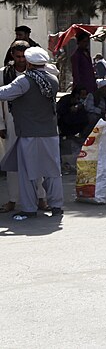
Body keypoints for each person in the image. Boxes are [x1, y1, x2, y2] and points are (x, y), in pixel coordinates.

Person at [0, 47, 64, 220]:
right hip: (50, 133)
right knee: (52, 172)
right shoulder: (52, 79)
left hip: (28, 133)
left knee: (28, 173)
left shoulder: (24, 81)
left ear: (28, 63)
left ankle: (29, 208)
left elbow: (3, 93)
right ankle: (57, 206)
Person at [1, 41, 47, 213]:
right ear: (12, 55)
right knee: (12, 163)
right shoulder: (4, 74)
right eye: (18, 56)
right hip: (11, 125)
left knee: (37, 160)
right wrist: (1, 124)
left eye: (24, 56)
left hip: (33, 124)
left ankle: (41, 197)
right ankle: (13, 199)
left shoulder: (39, 73)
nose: (21, 60)